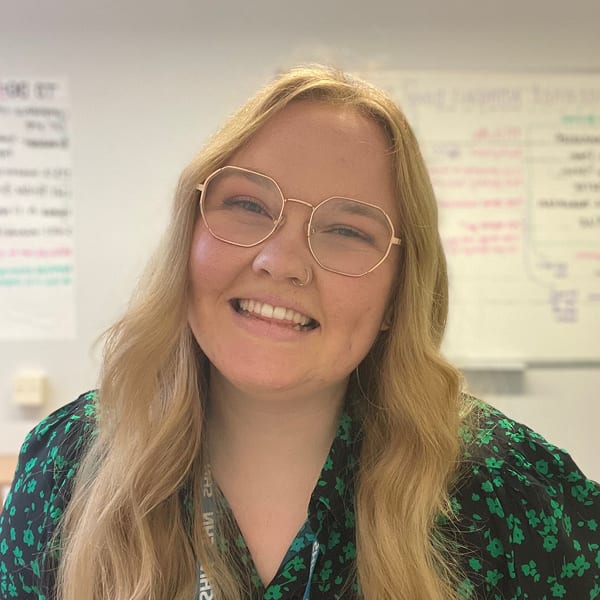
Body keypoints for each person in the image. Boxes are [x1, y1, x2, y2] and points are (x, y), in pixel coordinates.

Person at [0, 65, 598, 600]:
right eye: (249, 206)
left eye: (348, 231)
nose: (281, 261)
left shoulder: (510, 490)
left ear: (398, 293)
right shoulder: (68, 467)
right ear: (190, 237)